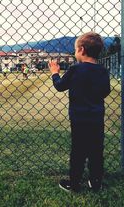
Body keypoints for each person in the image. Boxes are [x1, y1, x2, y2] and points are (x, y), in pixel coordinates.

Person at [48, 32, 111, 193]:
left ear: (81, 50)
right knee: (96, 151)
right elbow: (105, 91)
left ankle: (74, 183)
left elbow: (60, 86)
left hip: (79, 118)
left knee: (78, 151)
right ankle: (95, 181)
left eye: (75, 50)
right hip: (96, 117)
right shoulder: (102, 71)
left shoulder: (75, 69)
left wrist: (55, 72)